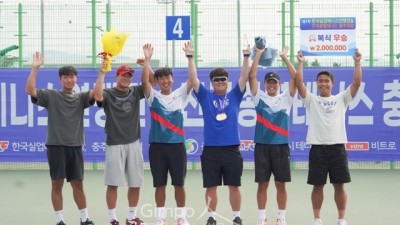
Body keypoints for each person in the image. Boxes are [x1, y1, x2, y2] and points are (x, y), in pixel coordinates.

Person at [25, 52, 97, 225]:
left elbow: (97, 93)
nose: (69, 80)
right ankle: (60, 221)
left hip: (76, 146)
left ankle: (84, 218)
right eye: (66, 77)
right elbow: (30, 90)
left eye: (72, 77)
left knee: (78, 184)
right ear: (60, 79)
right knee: (57, 184)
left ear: (76, 79)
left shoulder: (81, 98)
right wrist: (35, 68)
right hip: (56, 146)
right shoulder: (51, 95)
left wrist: (102, 72)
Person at [295, 49, 362, 225]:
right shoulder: (311, 99)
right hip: (317, 149)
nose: (323, 83)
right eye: (320, 81)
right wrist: (300, 62)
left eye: (326, 81)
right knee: (318, 186)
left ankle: (341, 219)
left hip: (338, 148)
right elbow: (299, 83)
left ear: (332, 83)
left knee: (339, 185)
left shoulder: (342, 98)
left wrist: (357, 62)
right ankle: (317, 219)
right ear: (316, 84)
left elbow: (356, 82)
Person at [191, 45, 251, 225]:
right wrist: (190, 57)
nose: (220, 82)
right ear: (211, 82)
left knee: (234, 186)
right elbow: (193, 79)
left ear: (227, 81)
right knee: (211, 186)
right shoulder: (204, 96)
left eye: (223, 79)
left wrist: (246, 56)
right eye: (216, 80)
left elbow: (244, 77)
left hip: (232, 149)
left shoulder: (235, 95)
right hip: (211, 150)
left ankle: (236, 217)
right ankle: (211, 217)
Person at [140, 42, 196, 225]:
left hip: (177, 147)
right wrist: (147, 60)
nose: (165, 81)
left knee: (179, 184)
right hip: (157, 147)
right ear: (158, 81)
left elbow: (192, 79)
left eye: (168, 78)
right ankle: (160, 218)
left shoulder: (180, 95)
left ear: (172, 79)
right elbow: (144, 82)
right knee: (160, 184)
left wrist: (190, 58)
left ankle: (181, 217)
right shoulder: (152, 97)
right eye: (161, 78)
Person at [93, 59, 155, 225]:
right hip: (114, 144)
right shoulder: (108, 93)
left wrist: (146, 65)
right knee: (113, 184)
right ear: (117, 76)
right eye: (123, 75)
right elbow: (97, 96)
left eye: (129, 75)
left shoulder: (135, 91)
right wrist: (102, 72)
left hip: (134, 143)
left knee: (135, 183)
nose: (126, 78)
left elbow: (153, 82)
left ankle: (131, 217)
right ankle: (113, 218)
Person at [249, 46, 300, 225]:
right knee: (262, 184)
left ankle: (281, 218)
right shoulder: (259, 97)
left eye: (274, 82)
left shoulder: (286, 98)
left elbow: (296, 78)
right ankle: (262, 218)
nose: (271, 85)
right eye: (269, 82)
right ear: (265, 85)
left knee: (281, 184)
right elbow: (251, 76)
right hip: (262, 147)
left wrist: (285, 57)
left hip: (280, 146)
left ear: (279, 84)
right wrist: (259, 54)